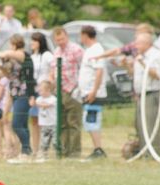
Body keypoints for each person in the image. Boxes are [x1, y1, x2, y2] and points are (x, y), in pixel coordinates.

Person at [0, 34, 36, 164]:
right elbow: (9, 75)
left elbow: (11, 54)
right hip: (14, 93)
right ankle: (26, 151)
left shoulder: (23, 54)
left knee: (16, 124)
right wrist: (1, 64)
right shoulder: (13, 59)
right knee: (23, 124)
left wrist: (2, 54)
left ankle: (26, 150)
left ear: (14, 44)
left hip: (24, 94)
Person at [50, 26, 84, 158]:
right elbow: (53, 70)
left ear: (67, 37)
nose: (60, 42)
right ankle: (63, 150)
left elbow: (83, 68)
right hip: (59, 91)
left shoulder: (77, 50)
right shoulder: (56, 52)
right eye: (57, 40)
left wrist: (80, 87)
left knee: (73, 122)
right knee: (62, 123)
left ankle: (74, 152)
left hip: (73, 90)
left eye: (62, 39)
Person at [133, 33, 160, 158]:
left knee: (150, 124)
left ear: (147, 43)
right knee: (140, 124)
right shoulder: (141, 56)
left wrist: (142, 62)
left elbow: (157, 75)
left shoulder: (155, 56)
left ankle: (157, 152)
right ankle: (144, 152)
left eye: (138, 43)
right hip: (141, 94)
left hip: (152, 93)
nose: (136, 46)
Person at [78, 25, 107, 160]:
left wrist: (94, 91)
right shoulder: (89, 50)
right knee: (89, 121)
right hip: (87, 91)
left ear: (85, 35)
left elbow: (99, 71)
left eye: (81, 35)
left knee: (92, 120)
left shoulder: (96, 50)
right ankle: (97, 148)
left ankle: (98, 149)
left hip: (93, 93)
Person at [29, 32, 53, 157]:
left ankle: (45, 149)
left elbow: (54, 68)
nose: (32, 43)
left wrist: (48, 82)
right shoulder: (32, 56)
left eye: (35, 41)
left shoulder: (47, 55)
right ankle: (35, 148)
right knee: (34, 121)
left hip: (44, 91)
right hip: (34, 91)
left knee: (44, 121)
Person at [34, 80, 57, 163]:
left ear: (48, 90)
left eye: (41, 90)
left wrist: (38, 104)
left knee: (55, 141)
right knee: (44, 141)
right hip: (44, 124)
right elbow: (36, 103)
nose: (40, 92)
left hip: (53, 124)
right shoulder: (39, 99)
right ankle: (44, 154)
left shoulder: (53, 99)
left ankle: (57, 154)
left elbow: (47, 105)